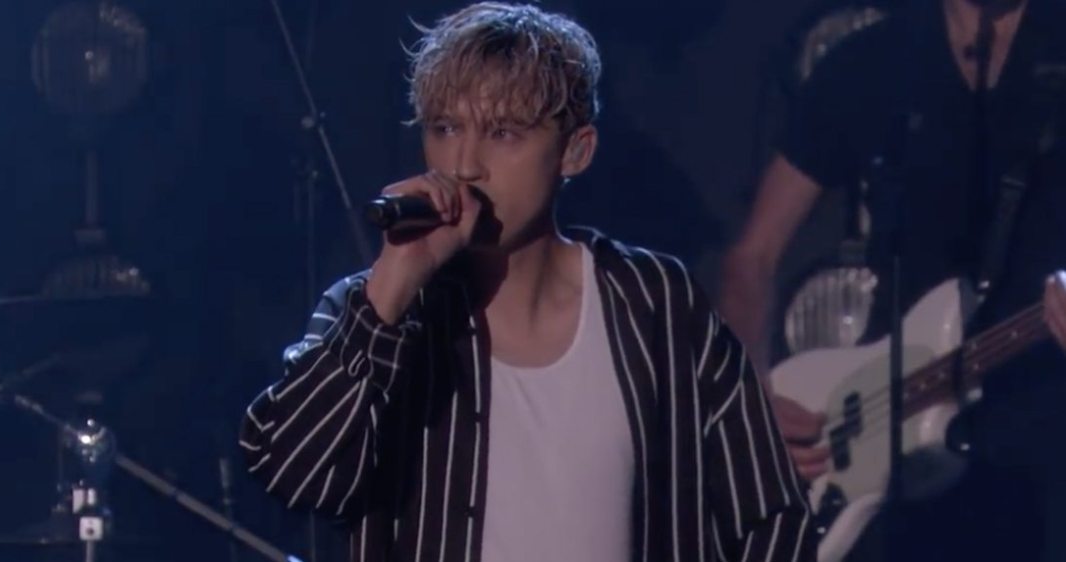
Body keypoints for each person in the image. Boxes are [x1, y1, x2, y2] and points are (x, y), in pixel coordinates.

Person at [239, 3, 814, 562]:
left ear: (576, 151)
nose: (464, 165)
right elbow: (293, 475)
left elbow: (770, 515)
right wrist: (391, 288)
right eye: (445, 128)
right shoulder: (371, 309)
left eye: (503, 133)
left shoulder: (657, 304)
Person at [719, 0, 1066, 559]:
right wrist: (747, 394)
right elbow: (751, 256)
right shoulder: (874, 60)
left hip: (1045, 431)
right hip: (891, 437)